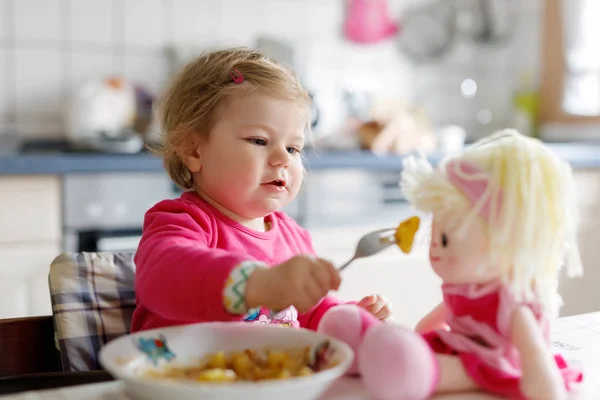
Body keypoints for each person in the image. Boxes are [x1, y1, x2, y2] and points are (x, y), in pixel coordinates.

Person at [131, 48, 392, 344]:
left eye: (294, 148)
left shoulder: (294, 238)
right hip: (177, 379)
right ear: (194, 150)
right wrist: (255, 284)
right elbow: (162, 276)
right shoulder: (183, 221)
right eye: (259, 140)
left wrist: (347, 319)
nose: (283, 158)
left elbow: (310, 314)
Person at [318, 130, 584, 400]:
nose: (433, 246)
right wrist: (418, 337)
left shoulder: (512, 302)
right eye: (434, 234)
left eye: (444, 239)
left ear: (503, 241)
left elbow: (535, 356)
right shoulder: (464, 288)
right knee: (398, 347)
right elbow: (431, 323)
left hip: (488, 364)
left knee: (423, 365)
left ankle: (400, 366)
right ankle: (360, 344)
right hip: (455, 347)